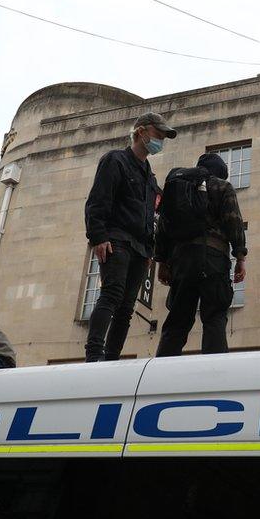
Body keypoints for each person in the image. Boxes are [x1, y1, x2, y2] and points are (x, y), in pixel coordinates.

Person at [83, 112, 177, 362]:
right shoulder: (115, 161)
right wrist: (98, 237)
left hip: (140, 248)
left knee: (126, 308)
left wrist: (149, 251)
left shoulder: (149, 176)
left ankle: (112, 358)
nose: (160, 141)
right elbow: (97, 201)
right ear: (141, 132)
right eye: (158, 135)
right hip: (116, 239)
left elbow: (150, 216)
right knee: (112, 294)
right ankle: (94, 354)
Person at [154, 153, 247, 356]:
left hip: (181, 261)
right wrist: (240, 257)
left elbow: (162, 227)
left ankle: (160, 375)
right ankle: (214, 375)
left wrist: (162, 263)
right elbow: (234, 223)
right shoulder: (222, 186)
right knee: (214, 317)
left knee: (177, 319)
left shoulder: (180, 186)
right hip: (213, 259)